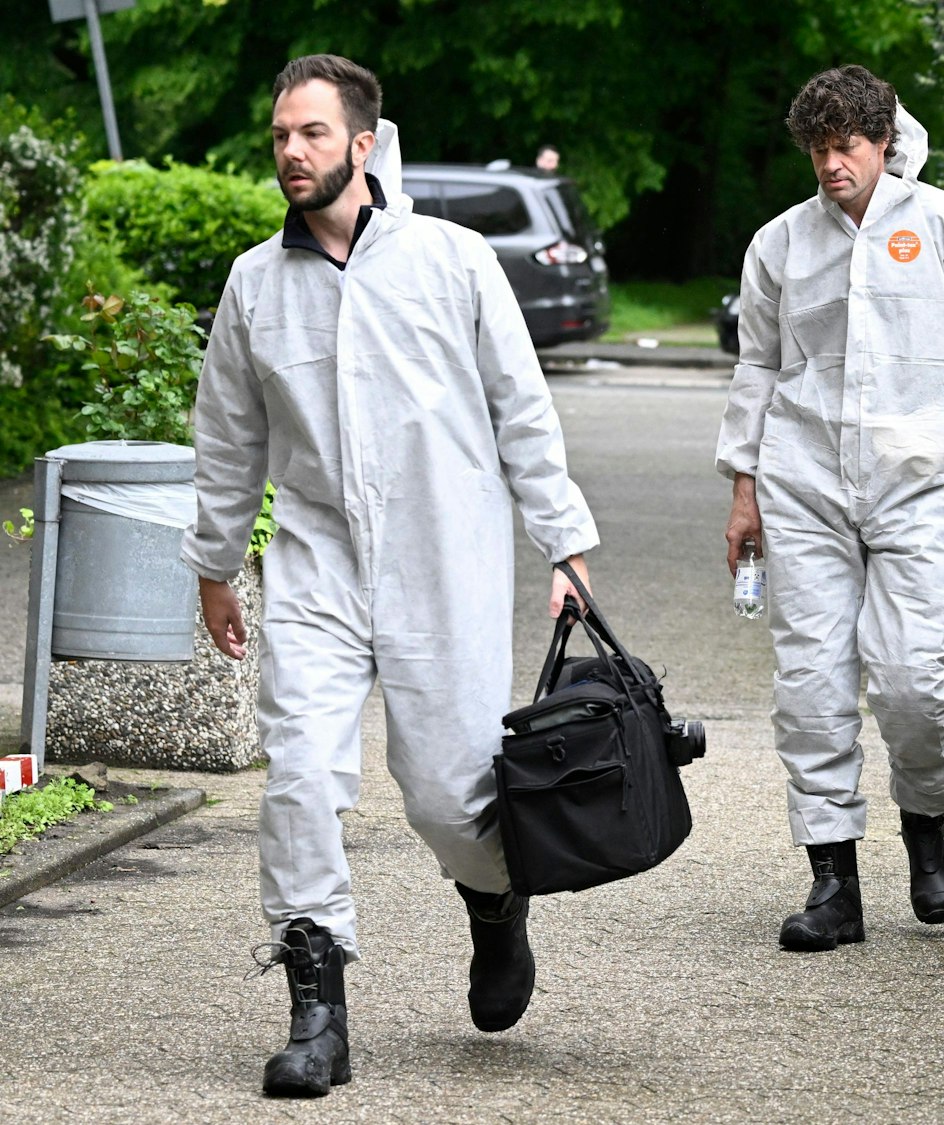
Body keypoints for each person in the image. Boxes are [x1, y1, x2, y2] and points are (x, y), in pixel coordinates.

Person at [182, 54, 599, 1097]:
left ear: (363, 145)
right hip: (317, 566)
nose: (291, 152)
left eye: (313, 133)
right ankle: (317, 1010)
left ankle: (495, 905)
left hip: (445, 560)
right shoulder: (254, 283)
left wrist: (564, 546)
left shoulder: (452, 261)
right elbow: (227, 436)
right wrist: (216, 563)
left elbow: (522, 409)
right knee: (300, 778)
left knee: (451, 797)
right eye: (281, 135)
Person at [715, 65, 944, 953]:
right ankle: (834, 882)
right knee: (810, 685)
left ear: (884, 142)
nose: (832, 164)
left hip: (924, 481)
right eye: (818, 149)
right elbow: (757, 365)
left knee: (911, 679)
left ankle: (925, 822)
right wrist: (744, 488)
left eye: (847, 145)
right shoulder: (780, 244)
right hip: (804, 482)